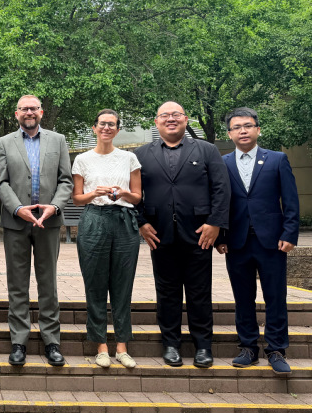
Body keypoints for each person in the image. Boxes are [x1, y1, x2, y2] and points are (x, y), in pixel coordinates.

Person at [135, 101, 230, 368]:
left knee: (200, 292)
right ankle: (171, 345)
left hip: (200, 233)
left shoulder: (207, 150)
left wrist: (215, 223)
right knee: (167, 293)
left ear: (186, 120)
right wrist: (141, 223)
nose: (171, 119)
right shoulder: (141, 154)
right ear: (156, 122)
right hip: (159, 233)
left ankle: (203, 346)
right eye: (164, 115)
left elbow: (221, 188)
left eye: (176, 114)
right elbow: (132, 193)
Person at [215, 107, 299, 374]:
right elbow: (219, 202)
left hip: (272, 241)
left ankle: (276, 349)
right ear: (229, 134)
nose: (243, 131)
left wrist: (289, 234)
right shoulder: (222, 163)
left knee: (276, 296)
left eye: (248, 125)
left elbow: (291, 200)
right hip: (236, 241)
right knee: (243, 297)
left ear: (258, 129)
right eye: (237, 127)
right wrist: (220, 237)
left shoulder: (277, 159)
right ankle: (248, 347)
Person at [0, 95, 72, 367]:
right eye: (24, 109)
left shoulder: (58, 140)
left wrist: (55, 206)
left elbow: (66, 180)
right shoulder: (4, 142)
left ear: (41, 112)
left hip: (48, 223)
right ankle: (19, 341)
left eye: (34, 108)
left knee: (48, 283)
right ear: (16, 114)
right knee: (17, 285)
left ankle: (52, 341)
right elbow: (1, 182)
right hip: (16, 223)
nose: (29, 112)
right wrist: (18, 209)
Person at [71, 109, 141, 368]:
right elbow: (77, 198)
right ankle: (101, 346)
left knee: (123, 285)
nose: (107, 128)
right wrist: (94, 193)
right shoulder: (82, 159)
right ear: (94, 127)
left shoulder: (129, 158)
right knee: (95, 284)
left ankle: (122, 347)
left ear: (118, 129)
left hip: (124, 220)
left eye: (112, 124)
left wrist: (123, 193)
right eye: (102, 124)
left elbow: (137, 197)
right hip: (94, 219)